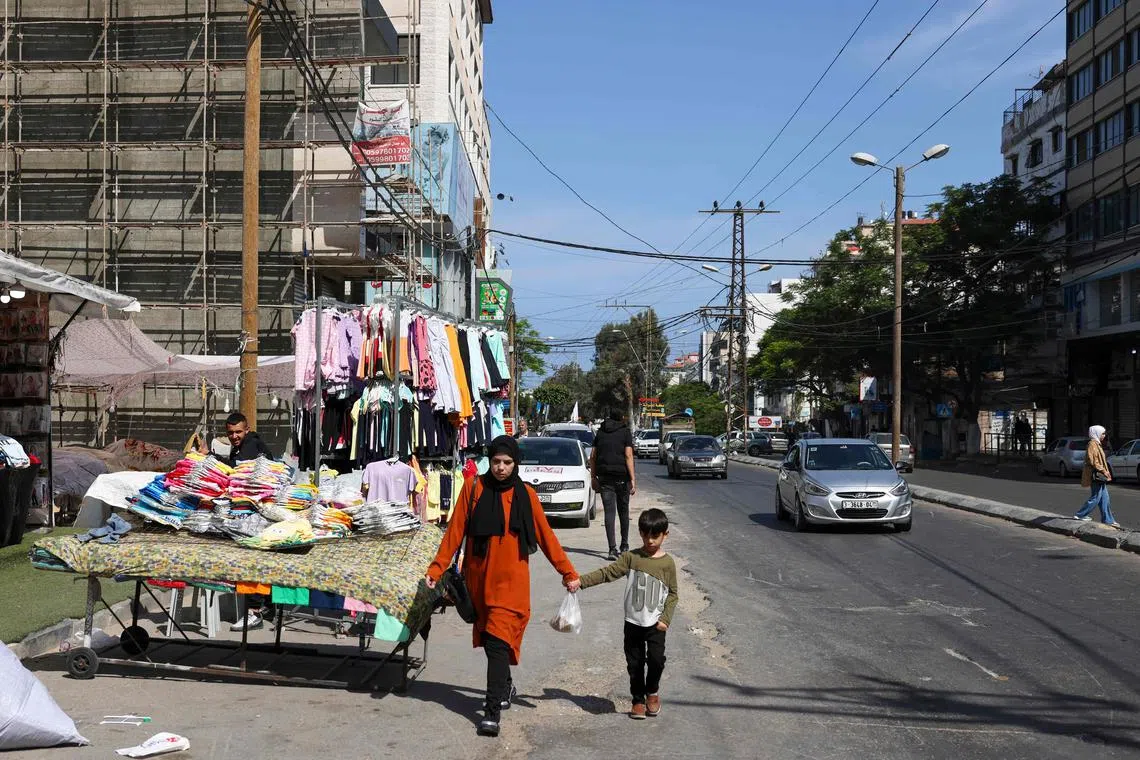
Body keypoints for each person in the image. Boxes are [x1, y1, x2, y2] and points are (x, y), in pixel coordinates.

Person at [425, 435, 580, 738]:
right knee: (493, 645)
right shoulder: (473, 489)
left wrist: (568, 572)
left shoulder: (527, 496)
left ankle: (491, 711)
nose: (500, 468)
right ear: (489, 461)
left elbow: (547, 538)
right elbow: (454, 533)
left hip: (512, 586)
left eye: (507, 462)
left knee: (497, 642)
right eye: (496, 461)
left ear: (515, 464)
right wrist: (437, 568)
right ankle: (505, 685)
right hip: (479, 582)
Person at [578, 508, 678, 720]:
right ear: (640, 533)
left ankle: (652, 692)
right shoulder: (631, 557)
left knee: (656, 661)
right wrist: (581, 581)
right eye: (646, 535)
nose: (650, 541)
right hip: (632, 622)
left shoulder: (667, 563)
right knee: (634, 663)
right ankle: (638, 701)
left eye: (655, 536)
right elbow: (608, 573)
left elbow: (673, 594)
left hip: (656, 624)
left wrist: (665, 619)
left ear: (665, 535)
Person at [208, 412, 277, 630]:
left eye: (238, 431)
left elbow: (236, 470)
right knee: (259, 558)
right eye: (230, 433)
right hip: (258, 509)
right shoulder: (243, 446)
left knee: (251, 559)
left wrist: (211, 458)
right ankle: (265, 605)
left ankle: (253, 612)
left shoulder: (250, 445)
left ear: (246, 430)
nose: (235, 436)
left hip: (258, 512)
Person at [590, 409, 637, 560]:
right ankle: (624, 546)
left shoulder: (600, 432)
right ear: (621, 418)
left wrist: (593, 477)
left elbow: (593, 456)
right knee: (623, 512)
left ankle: (611, 549)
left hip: (604, 478)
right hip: (622, 477)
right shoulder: (625, 432)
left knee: (609, 513)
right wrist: (633, 479)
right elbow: (628, 455)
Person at [1075, 425, 1123, 530]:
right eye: (1103, 433)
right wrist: (1104, 471)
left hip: (1099, 475)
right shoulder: (1092, 444)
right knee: (1096, 497)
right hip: (1096, 475)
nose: (1104, 436)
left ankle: (1108, 520)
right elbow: (1093, 461)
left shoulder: (1097, 444)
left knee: (1105, 499)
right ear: (1096, 433)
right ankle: (1080, 514)